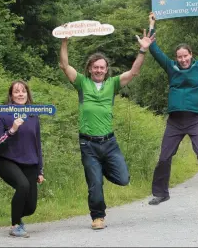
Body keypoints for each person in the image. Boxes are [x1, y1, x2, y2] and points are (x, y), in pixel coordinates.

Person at [59, 29, 155, 229]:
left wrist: (143, 50)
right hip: (88, 144)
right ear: (90, 69)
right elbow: (64, 65)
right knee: (95, 185)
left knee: (123, 178)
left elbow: (134, 72)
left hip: (109, 143)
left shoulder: (113, 84)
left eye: (102, 67)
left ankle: (98, 171)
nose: (99, 70)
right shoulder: (82, 84)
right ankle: (98, 217)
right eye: (95, 67)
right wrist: (65, 42)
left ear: (106, 69)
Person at [147, 11, 198, 206]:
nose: (182, 59)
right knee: (164, 157)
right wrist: (152, 25)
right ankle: (160, 193)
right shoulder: (171, 68)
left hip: (195, 119)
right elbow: (154, 50)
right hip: (175, 121)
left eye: (185, 56)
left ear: (191, 55)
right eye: (179, 57)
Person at [0, 81, 45, 237]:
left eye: (23, 91)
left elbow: (37, 144)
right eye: (16, 92)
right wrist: (12, 130)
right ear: (11, 96)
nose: (20, 94)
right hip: (7, 160)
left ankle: (17, 216)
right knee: (22, 185)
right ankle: (15, 225)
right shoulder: (3, 114)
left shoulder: (33, 115)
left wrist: (40, 170)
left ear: (27, 95)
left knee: (31, 207)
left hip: (30, 163)